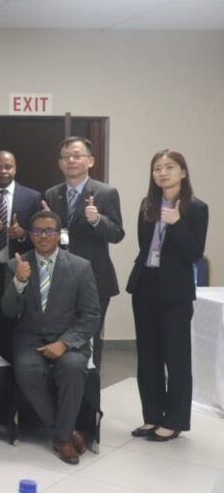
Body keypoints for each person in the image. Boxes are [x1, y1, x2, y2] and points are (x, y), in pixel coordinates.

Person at [1, 210, 101, 465]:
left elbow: (91, 315)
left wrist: (65, 343)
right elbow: (9, 311)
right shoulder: (16, 264)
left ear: (59, 234)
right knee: (27, 369)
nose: (43, 236)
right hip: (29, 340)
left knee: (73, 367)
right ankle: (65, 433)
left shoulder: (80, 267)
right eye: (37, 231)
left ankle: (61, 436)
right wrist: (19, 282)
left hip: (68, 340)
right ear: (30, 234)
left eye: (49, 231)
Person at [126, 150, 208, 442]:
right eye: (157, 168)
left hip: (175, 290)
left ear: (183, 172)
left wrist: (177, 223)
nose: (163, 172)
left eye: (170, 167)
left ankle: (174, 421)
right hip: (146, 284)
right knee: (147, 356)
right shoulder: (147, 205)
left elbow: (194, 253)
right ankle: (152, 416)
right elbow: (144, 244)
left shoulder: (197, 208)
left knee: (176, 358)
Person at [43, 136, 124, 370]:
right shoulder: (51, 194)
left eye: (77, 156)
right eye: (65, 157)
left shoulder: (106, 193)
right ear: (59, 163)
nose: (71, 161)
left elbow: (118, 234)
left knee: (90, 343)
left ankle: (90, 403)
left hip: (95, 279)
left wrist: (97, 220)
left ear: (90, 161)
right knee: (60, 339)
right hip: (59, 279)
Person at [0, 150, 42, 363]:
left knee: (17, 316)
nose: (3, 171)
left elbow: (42, 236)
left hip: (20, 269)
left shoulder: (33, 197)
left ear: (15, 168)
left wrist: (23, 235)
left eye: (8, 166)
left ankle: (18, 362)